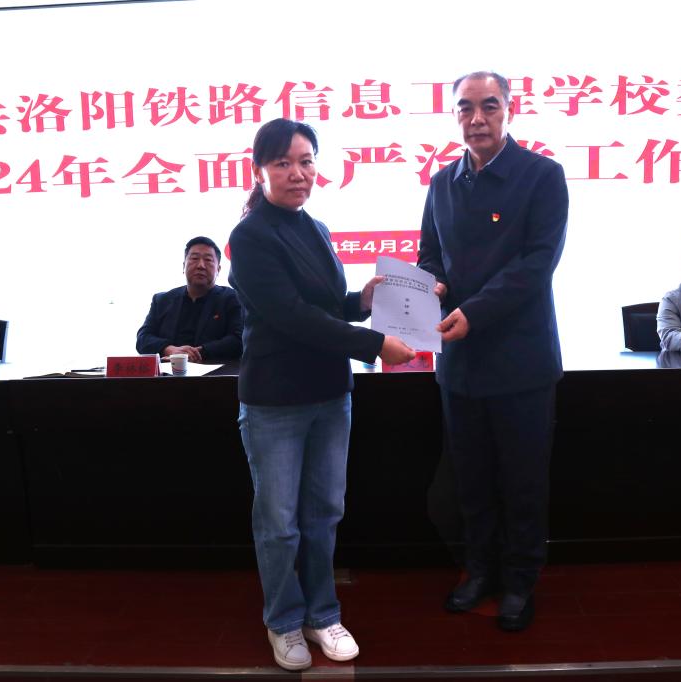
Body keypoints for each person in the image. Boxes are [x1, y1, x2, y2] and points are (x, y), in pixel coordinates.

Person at [229, 118, 414, 671]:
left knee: (324, 514)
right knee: (279, 524)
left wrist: (363, 301)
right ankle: (284, 621)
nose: (297, 173)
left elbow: (326, 307)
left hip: (331, 394)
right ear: (259, 170)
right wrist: (375, 343)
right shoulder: (250, 236)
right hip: (275, 403)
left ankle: (322, 614)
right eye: (283, 162)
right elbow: (291, 316)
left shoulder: (316, 227)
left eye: (306, 161)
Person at [417, 71, 569, 632]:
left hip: (521, 361)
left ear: (509, 109)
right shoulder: (442, 182)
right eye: (465, 108)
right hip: (459, 363)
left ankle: (521, 581)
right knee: (472, 480)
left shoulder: (542, 175)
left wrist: (474, 311)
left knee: (522, 482)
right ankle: (479, 571)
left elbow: (537, 263)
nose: (476, 119)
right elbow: (429, 254)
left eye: (488, 106)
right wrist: (431, 284)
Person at [136, 236, 243, 363]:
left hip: (215, 372)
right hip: (167, 371)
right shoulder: (162, 300)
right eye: (194, 258)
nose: (201, 265)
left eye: (208, 260)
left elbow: (239, 339)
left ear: (218, 269)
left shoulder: (232, 298)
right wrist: (169, 349)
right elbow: (143, 338)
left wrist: (199, 352)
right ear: (184, 266)